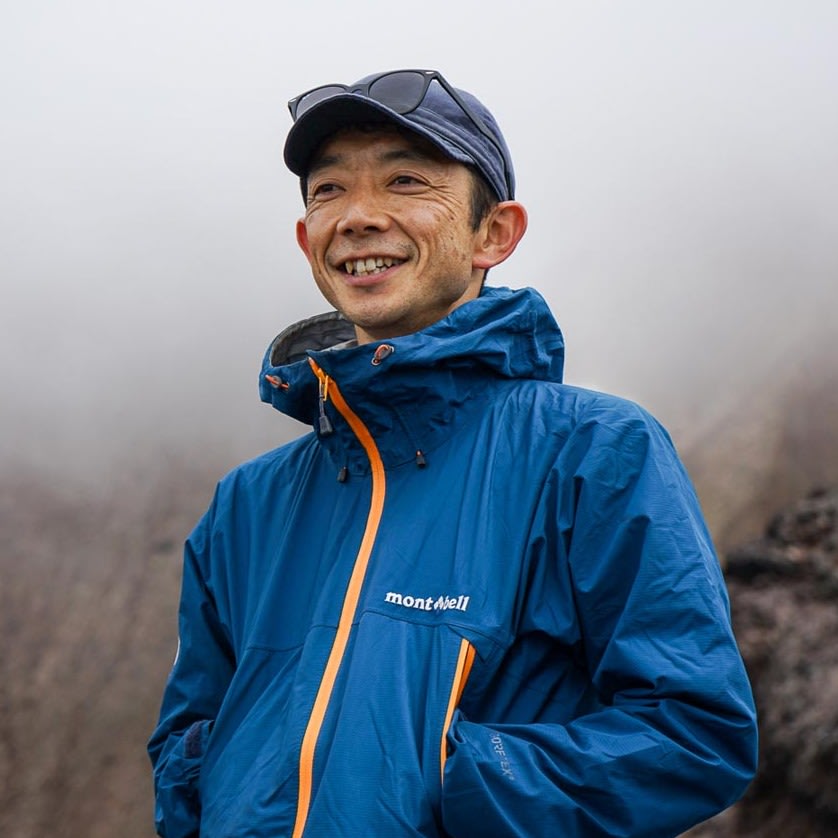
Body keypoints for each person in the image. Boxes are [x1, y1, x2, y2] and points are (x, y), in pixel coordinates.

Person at [148, 68, 757, 837]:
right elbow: (187, 746)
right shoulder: (247, 504)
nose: (359, 217)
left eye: (405, 181)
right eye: (328, 191)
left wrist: (441, 782)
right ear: (307, 240)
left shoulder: (594, 452)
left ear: (492, 234)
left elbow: (694, 735)